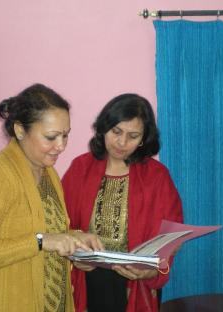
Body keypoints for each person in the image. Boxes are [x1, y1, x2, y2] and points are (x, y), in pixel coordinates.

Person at [0, 83, 103, 312]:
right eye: (51, 137)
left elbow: (40, 231)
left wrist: (75, 242)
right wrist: (41, 241)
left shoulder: (48, 173)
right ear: (20, 130)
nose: (60, 146)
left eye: (65, 135)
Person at [62, 93, 184, 312]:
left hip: (135, 282)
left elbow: (172, 238)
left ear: (144, 139)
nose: (121, 142)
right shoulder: (80, 169)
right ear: (103, 128)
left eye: (133, 135)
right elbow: (60, 226)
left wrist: (153, 270)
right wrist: (74, 256)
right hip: (86, 279)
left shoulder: (157, 176)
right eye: (116, 132)